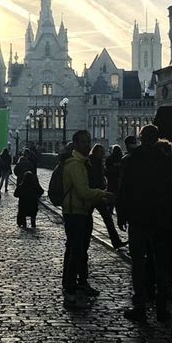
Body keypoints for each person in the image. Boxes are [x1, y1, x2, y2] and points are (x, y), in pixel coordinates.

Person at [118, 125, 172, 323]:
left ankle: (140, 305)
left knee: (138, 264)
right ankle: (161, 309)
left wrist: (121, 214)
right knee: (161, 265)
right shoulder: (166, 161)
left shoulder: (134, 159)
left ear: (141, 138)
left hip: (138, 219)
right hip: (161, 220)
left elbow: (124, 188)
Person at [62, 130, 114, 309]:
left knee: (79, 250)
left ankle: (79, 283)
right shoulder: (76, 164)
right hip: (75, 212)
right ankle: (69, 289)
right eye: (83, 142)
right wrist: (104, 194)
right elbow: (83, 191)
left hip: (82, 211)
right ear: (75, 144)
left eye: (88, 141)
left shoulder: (83, 162)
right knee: (76, 251)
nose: (87, 145)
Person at [88, 144, 127, 250]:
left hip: (98, 194)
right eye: (100, 152)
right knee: (102, 219)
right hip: (93, 195)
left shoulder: (97, 161)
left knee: (107, 219)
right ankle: (116, 241)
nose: (101, 154)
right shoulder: (91, 162)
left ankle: (116, 241)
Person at [104, 144, 123, 214]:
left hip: (111, 180)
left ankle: (110, 209)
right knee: (119, 196)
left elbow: (107, 170)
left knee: (111, 194)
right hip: (119, 180)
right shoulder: (122, 158)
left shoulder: (109, 159)